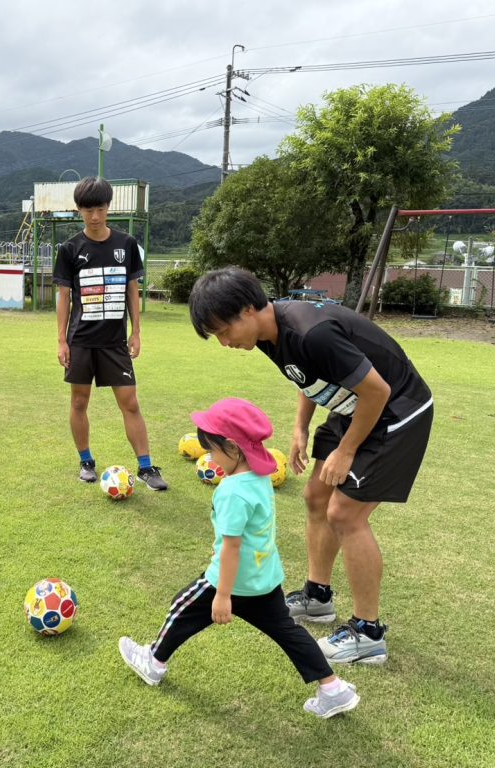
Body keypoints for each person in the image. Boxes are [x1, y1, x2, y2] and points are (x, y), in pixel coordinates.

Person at [187, 267, 434, 665]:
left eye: (224, 331)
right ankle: (318, 598)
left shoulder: (311, 331)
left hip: (396, 410)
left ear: (248, 309)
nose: (224, 342)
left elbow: (378, 390)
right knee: (316, 497)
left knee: (345, 514)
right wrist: (300, 427)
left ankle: (368, 634)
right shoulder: (267, 335)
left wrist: (347, 451)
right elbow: (307, 377)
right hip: (352, 406)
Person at [118, 398, 359, 719]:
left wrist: (222, 595)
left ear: (232, 447)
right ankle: (333, 688)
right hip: (264, 578)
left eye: (212, 451)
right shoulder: (260, 476)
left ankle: (153, 662)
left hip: (232, 581)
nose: (210, 458)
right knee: (288, 632)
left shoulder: (231, 491)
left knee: (181, 608)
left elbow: (232, 547)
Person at [54, 176, 167, 491]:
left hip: (115, 342)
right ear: (79, 210)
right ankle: (86, 462)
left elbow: (132, 289)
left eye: (100, 209)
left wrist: (136, 331)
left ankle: (146, 467)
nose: (94, 216)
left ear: (108, 208)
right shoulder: (70, 249)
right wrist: (62, 340)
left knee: (130, 403)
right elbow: (64, 297)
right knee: (79, 402)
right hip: (80, 340)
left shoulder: (126, 244)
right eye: (88, 210)